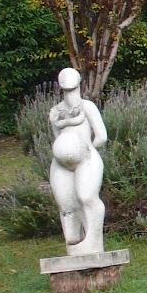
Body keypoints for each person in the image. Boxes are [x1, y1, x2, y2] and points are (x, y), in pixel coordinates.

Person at [48, 67, 108, 256]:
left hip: (86, 158)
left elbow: (101, 137)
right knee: (66, 203)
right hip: (60, 162)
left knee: (86, 196)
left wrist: (84, 149)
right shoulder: (56, 111)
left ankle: (93, 241)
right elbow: (57, 137)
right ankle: (74, 244)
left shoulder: (87, 106)